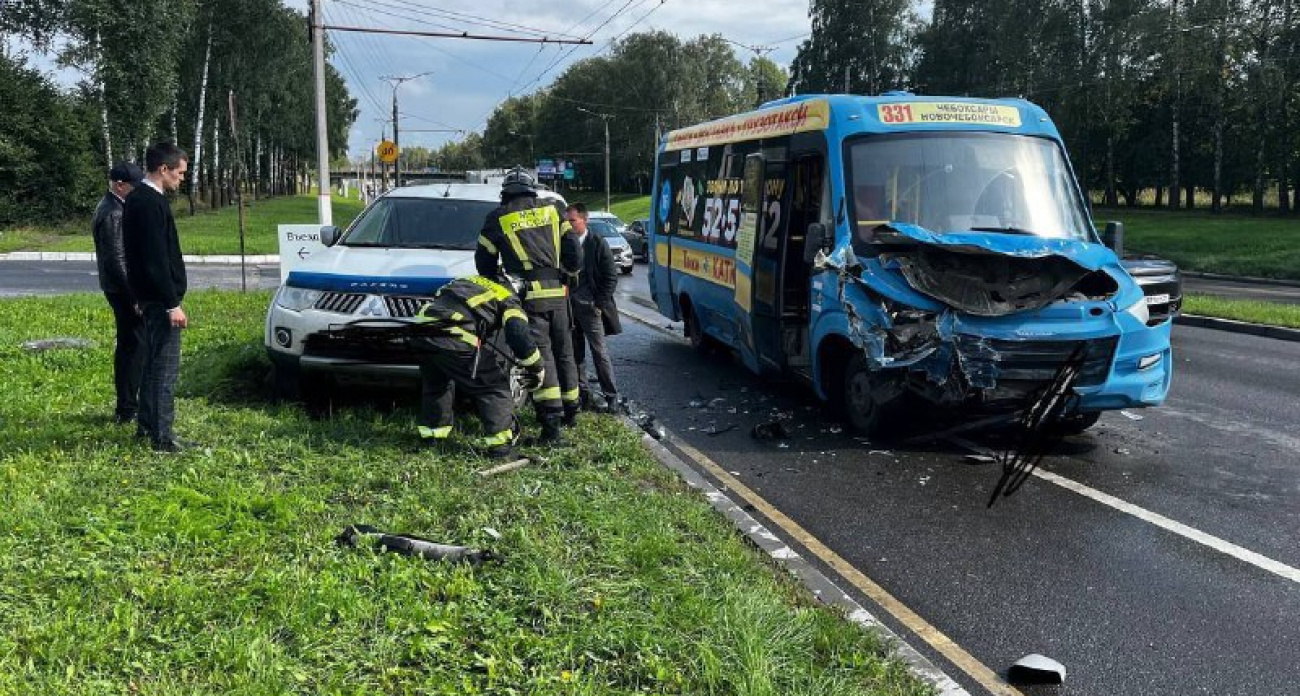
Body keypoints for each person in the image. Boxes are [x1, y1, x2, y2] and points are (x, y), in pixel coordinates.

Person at [475, 167, 582, 439]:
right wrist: (568, 271)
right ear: (532, 189)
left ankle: (551, 424)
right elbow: (574, 250)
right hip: (559, 295)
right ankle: (571, 409)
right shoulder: (554, 208)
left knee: (542, 356)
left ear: (505, 193)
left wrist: (500, 284)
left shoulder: (498, 218)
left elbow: (484, 263)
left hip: (529, 298)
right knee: (564, 352)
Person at [410, 275, 546, 459]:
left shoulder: (469, 280)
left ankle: (432, 438)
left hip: (420, 331)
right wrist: (536, 366)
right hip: (453, 335)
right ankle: (501, 448)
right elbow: (517, 334)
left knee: (437, 384)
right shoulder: (508, 298)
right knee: (493, 387)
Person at [122, 142, 191, 453]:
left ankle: (147, 428)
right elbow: (154, 259)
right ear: (163, 169)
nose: (182, 178)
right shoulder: (150, 203)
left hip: (148, 298)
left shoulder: (138, 199)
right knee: (164, 369)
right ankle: (162, 438)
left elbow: (136, 257)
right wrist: (171, 303)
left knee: (152, 365)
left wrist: (141, 294)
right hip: (160, 301)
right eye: (179, 172)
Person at [92, 162, 146, 424]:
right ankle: (127, 408)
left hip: (118, 288)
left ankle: (128, 405)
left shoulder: (112, 206)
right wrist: (134, 295)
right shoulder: (114, 213)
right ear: (120, 185)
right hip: (122, 291)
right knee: (132, 346)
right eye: (134, 188)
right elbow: (117, 260)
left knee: (131, 344)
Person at [564, 203, 622, 412]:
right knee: (574, 353)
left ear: (584, 219)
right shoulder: (563, 244)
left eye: (572, 221)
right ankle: (582, 395)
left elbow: (610, 277)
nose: (568, 225)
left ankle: (611, 397)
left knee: (599, 353)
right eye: (566, 221)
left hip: (591, 306)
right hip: (569, 308)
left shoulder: (597, 243)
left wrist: (599, 304)